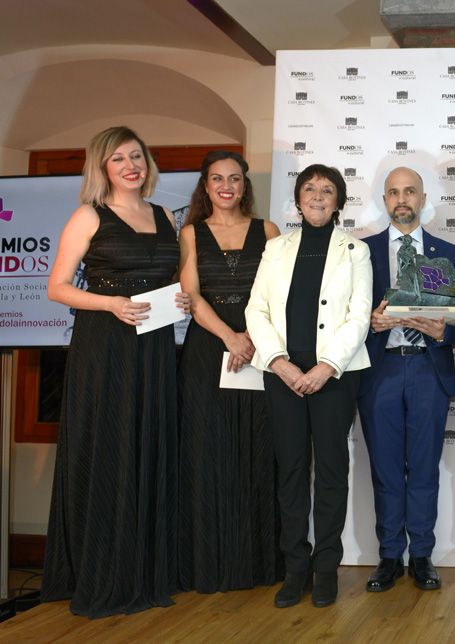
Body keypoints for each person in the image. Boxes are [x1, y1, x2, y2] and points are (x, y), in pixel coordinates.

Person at [42, 126, 188, 618]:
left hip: (154, 351)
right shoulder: (89, 215)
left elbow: (165, 281)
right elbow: (58, 287)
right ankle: (103, 571)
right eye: (119, 159)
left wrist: (179, 299)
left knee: (147, 447)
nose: (131, 165)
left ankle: (144, 568)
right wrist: (111, 304)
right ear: (102, 168)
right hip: (105, 349)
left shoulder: (164, 214)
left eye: (137, 156)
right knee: (110, 450)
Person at [245, 164, 372, 608]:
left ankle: (326, 569)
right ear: (297, 199)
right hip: (282, 377)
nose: (318, 196)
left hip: (334, 378)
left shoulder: (356, 250)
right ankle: (294, 569)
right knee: (292, 473)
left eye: (328, 190)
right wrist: (278, 362)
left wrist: (326, 366)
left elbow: (359, 316)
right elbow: (255, 310)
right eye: (310, 189)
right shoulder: (275, 248)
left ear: (339, 201)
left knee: (333, 474)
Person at [176, 151, 281, 593]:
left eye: (234, 179)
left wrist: (252, 338)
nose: (226, 186)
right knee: (208, 454)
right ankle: (210, 565)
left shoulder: (268, 231)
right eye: (217, 178)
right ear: (205, 185)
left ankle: (258, 564)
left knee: (258, 451)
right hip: (207, 354)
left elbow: (279, 294)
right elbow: (191, 297)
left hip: (260, 352)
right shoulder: (190, 233)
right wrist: (230, 337)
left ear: (244, 186)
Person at [358, 167, 455, 593]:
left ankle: (421, 554)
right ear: (384, 200)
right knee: (384, 468)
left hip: (426, 367)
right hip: (379, 369)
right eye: (393, 193)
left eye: (410, 192)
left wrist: (446, 333)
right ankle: (387, 556)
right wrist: (370, 323)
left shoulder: (449, 252)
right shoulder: (359, 252)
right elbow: (344, 317)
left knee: (423, 468)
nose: (402, 200)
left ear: (422, 198)